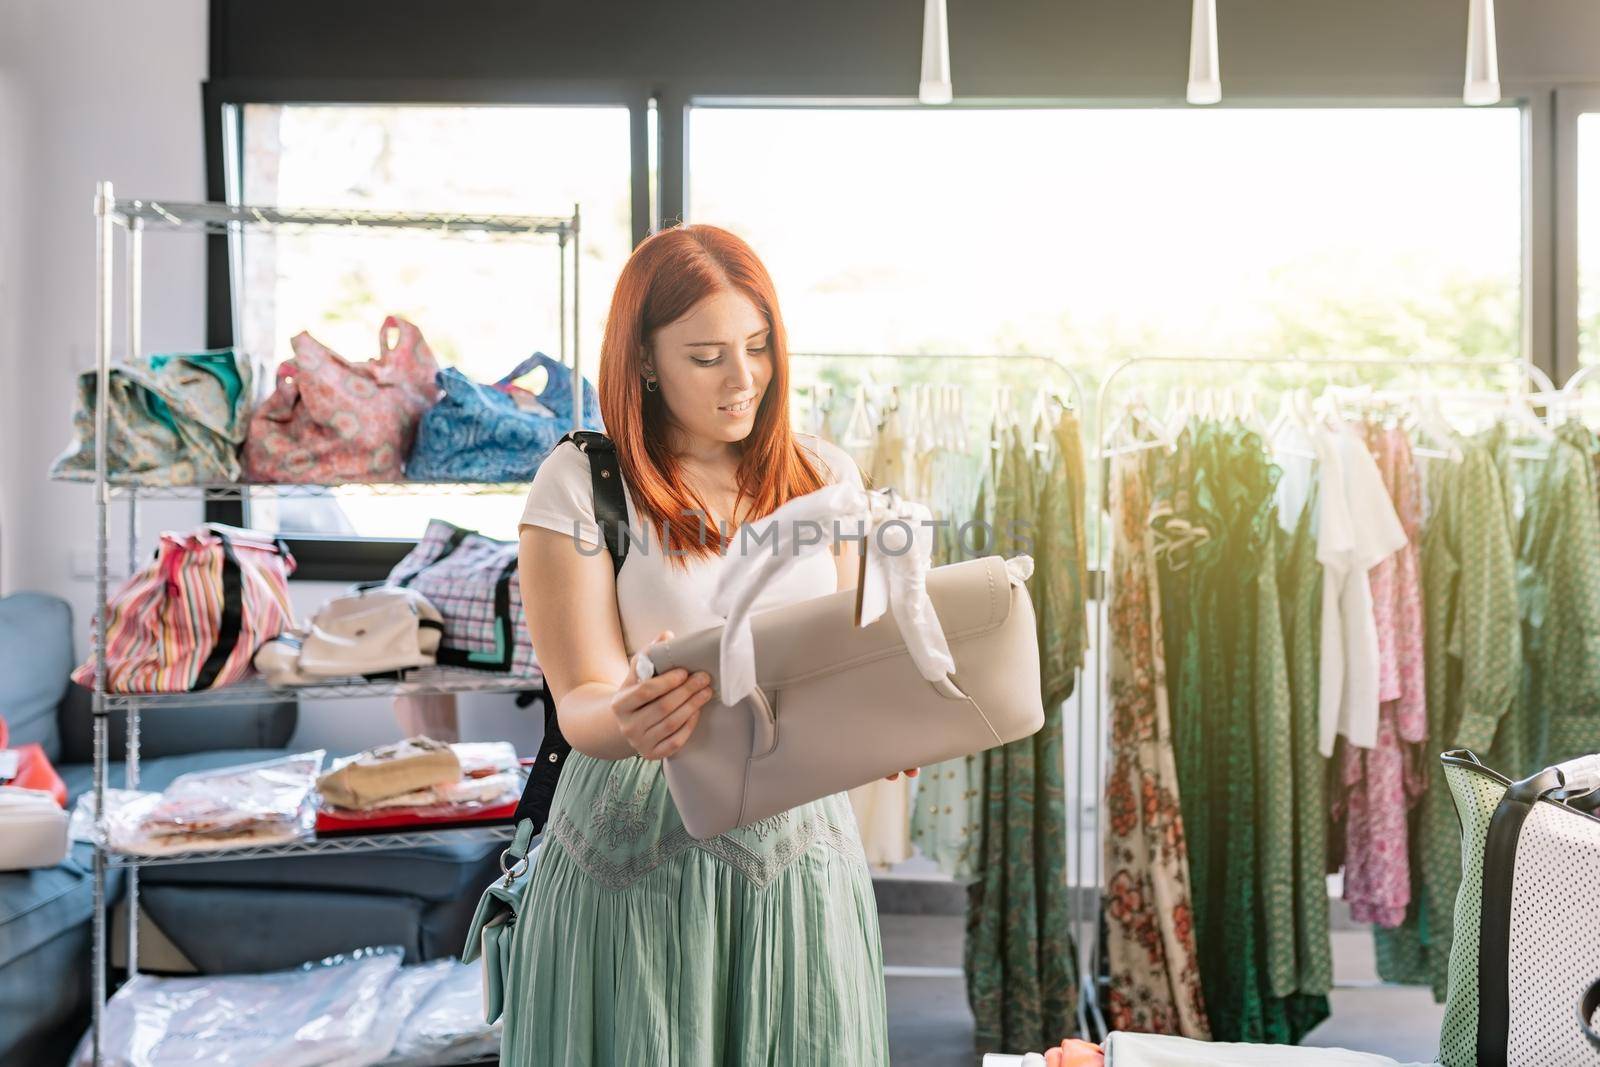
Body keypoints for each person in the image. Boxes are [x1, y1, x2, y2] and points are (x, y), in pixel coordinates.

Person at [506, 223, 910, 1065]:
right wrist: (630, 717)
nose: (744, 379)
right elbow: (581, 699)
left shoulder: (827, 474)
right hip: (633, 862)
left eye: (758, 346)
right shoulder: (581, 481)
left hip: (796, 861)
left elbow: (845, 655)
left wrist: (888, 723)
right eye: (707, 355)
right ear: (644, 360)